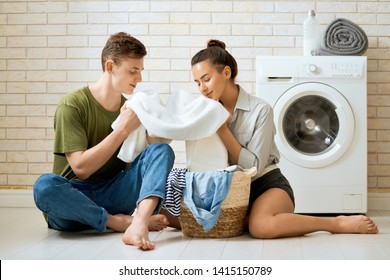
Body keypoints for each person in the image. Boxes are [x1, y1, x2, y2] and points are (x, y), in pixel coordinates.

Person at [188, 39, 379, 238]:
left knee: (261, 227)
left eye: (206, 79)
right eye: (197, 82)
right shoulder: (205, 111)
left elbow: (254, 167)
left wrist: (223, 130)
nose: (202, 88)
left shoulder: (260, 110)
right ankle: (247, 217)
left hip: (265, 185)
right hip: (228, 188)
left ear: (226, 73)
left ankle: (335, 223)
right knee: (176, 214)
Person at [33, 32, 175, 250]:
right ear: (110, 67)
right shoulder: (72, 105)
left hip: (112, 194)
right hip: (73, 203)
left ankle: (139, 221)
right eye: (133, 71)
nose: (139, 79)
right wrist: (122, 130)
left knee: (161, 150)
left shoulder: (132, 107)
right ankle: (117, 222)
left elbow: (131, 164)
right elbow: (81, 169)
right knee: (44, 186)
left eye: (140, 71)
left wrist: (155, 124)